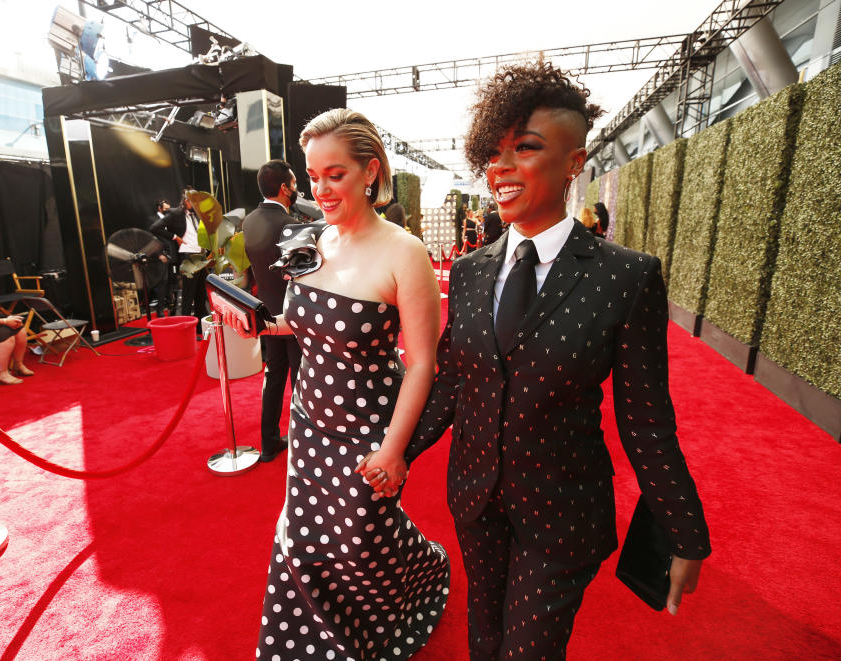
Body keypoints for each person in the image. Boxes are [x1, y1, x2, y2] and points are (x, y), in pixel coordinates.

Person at [395, 61, 711, 660]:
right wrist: (393, 456)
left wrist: (684, 527)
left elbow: (646, 419)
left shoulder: (626, 277)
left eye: (526, 148)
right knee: (484, 640)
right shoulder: (468, 272)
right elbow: (452, 384)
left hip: (563, 512)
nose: (501, 167)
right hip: (475, 499)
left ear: (574, 161)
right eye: (495, 151)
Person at [226, 108, 450, 660]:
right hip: (308, 420)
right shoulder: (309, 240)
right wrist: (253, 320)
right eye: (313, 176)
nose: (321, 190)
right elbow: (305, 327)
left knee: (359, 544)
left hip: (368, 429)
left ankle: (421, 573)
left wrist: (394, 450)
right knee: (301, 543)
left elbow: (422, 363)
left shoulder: (405, 252)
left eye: (336, 174)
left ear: (370, 172)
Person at [243, 159, 302, 463]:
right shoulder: (289, 225)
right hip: (292, 316)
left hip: (266, 312)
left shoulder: (249, 220)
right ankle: (303, 447)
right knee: (300, 382)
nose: (296, 190)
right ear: (284, 188)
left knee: (274, 376)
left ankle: (268, 443)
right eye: (293, 184)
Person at [149, 190, 205, 316]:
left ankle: (200, 325)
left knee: (201, 293)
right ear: (187, 201)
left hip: (201, 255)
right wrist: (175, 237)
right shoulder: (175, 213)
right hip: (188, 256)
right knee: (189, 294)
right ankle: (186, 323)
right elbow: (154, 227)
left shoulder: (196, 214)